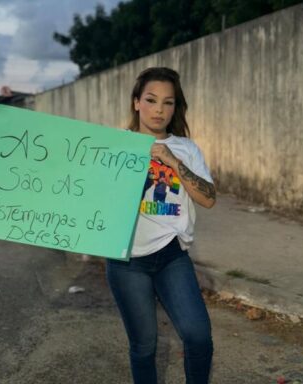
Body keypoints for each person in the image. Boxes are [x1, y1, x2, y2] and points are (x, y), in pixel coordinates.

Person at [104, 68, 216, 384]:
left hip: (172, 256)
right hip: (126, 259)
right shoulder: (115, 145)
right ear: (136, 102)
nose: (159, 110)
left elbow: (208, 199)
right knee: (144, 346)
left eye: (168, 102)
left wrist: (172, 161)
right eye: (151, 100)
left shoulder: (186, 149)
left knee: (198, 337)